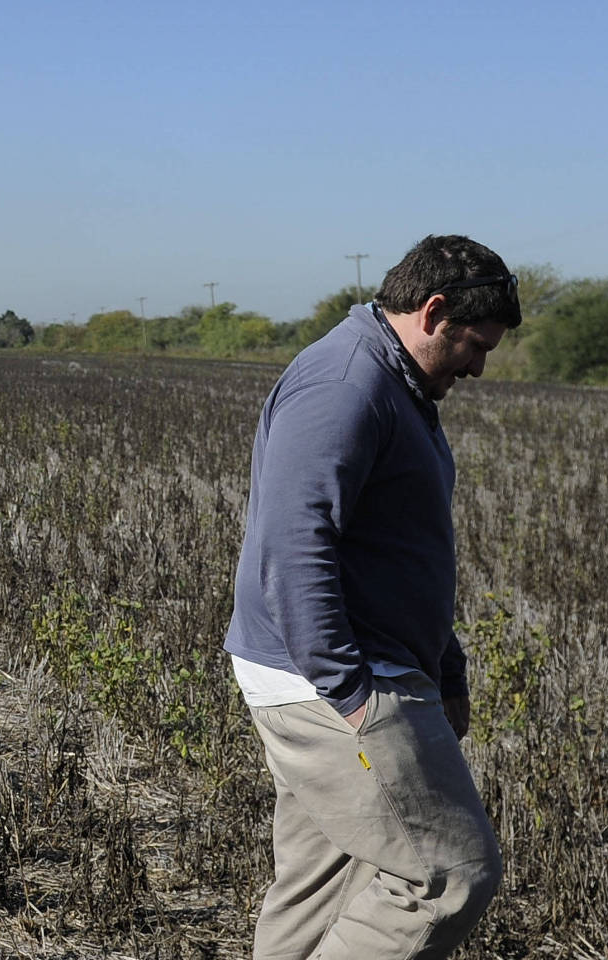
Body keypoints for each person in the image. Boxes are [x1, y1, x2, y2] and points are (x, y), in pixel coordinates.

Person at [224, 235, 520, 958]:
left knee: (319, 892)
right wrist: (352, 693)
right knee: (448, 874)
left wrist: (443, 664)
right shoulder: (346, 385)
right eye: (475, 345)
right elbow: (293, 547)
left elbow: (394, 548)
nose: (479, 368)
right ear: (433, 311)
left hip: (350, 669)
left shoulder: (396, 383)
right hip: (335, 679)